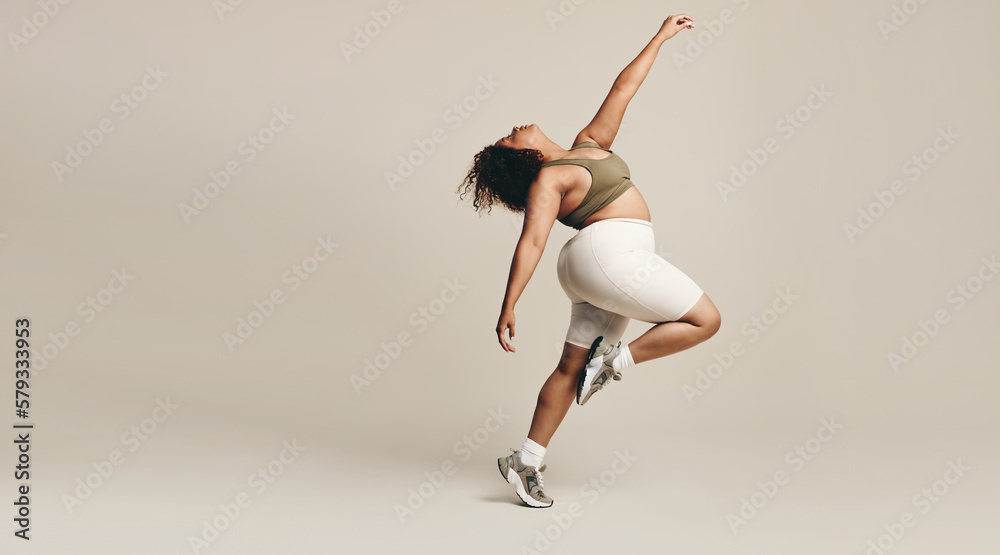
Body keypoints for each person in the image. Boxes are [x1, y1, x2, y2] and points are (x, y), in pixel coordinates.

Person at [457, 14, 721, 508]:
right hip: (609, 255)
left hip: (599, 265)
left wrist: (661, 36)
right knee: (706, 320)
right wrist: (508, 305)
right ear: (524, 159)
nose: (513, 129)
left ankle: (526, 460)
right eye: (508, 140)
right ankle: (615, 362)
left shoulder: (588, 145)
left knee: (568, 369)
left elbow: (623, 90)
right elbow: (531, 242)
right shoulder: (549, 179)